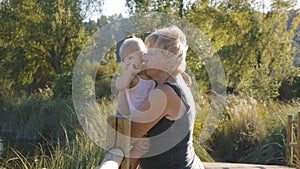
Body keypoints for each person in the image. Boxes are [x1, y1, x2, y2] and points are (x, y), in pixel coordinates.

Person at [128, 26, 205, 169]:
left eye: (150, 53)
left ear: (166, 58)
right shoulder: (178, 81)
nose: (144, 57)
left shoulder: (164, 93)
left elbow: (127, 134)